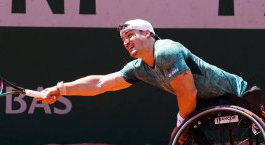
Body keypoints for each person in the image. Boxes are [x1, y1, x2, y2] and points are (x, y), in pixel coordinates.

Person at [39, 19, 249, 129]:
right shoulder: (138, 68)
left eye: (130, 35)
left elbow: (188, 92)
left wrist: (180, 122)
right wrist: (61, 89)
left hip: (235, 96)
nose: (126, 41)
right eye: (123, 39)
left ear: (148, 33)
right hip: (208, 104)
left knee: (181, 132)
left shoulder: (167, 51)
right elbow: (102, 83)